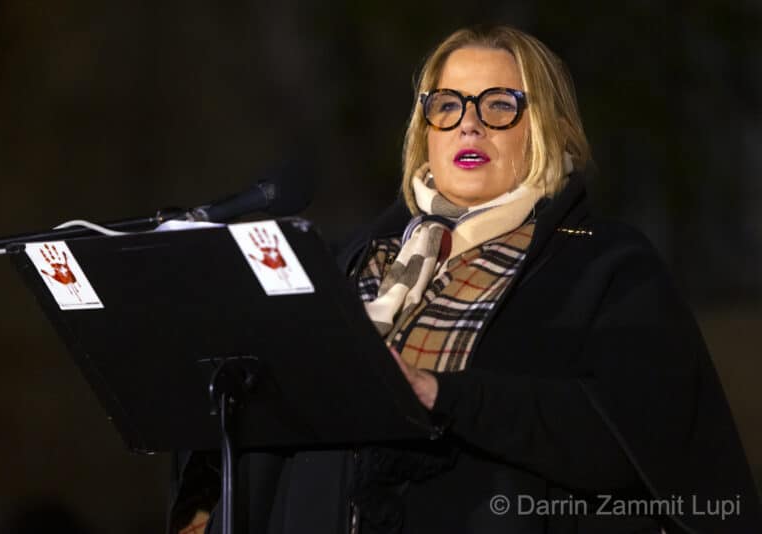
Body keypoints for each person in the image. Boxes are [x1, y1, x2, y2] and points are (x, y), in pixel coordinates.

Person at [175, 24, 762, 533]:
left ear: (551, 128)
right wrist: (205, 503)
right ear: (425, 128)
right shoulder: (350, 259)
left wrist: (441, 394)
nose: (469, 126)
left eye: (500, 106)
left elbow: (636, 440)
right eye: (448, 105)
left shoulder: (604, 264)